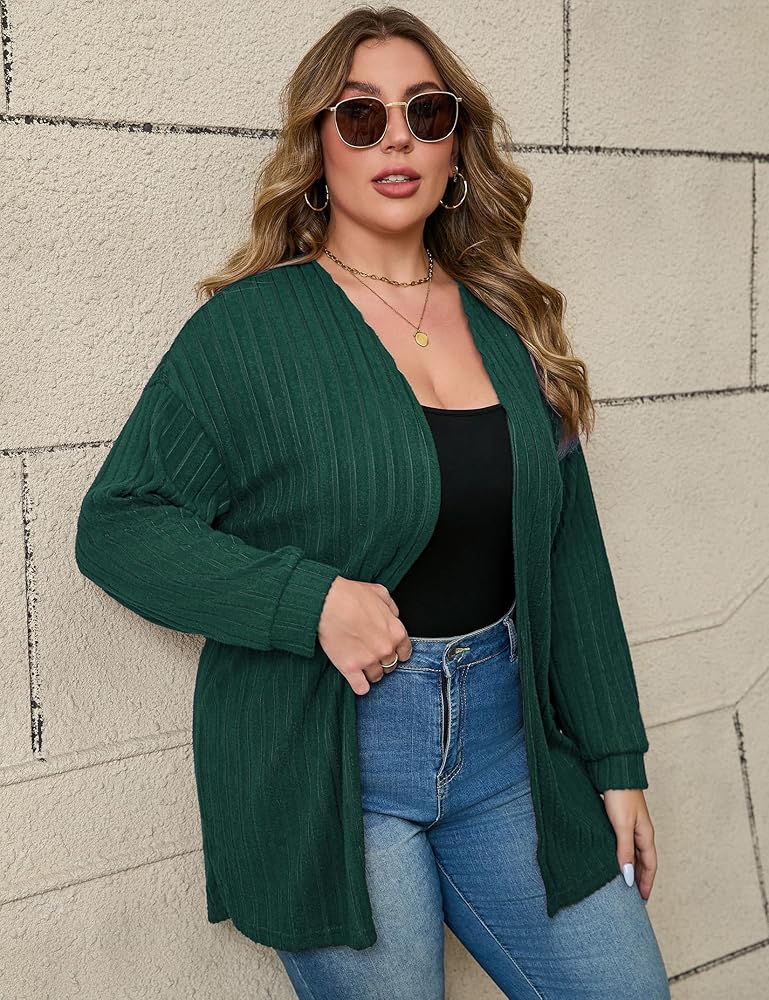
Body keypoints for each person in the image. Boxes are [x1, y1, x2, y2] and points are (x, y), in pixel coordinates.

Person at [75, 6, 671, 998]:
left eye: (425, 113)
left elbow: (569, 555)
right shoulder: (249, 331)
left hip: (509, 750)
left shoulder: (508, 325)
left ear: (454, 149)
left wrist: (616, 759)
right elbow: (119, 523)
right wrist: (306, 599)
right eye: (360, 116)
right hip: (334, 765)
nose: (396, 138)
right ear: (318, 149)